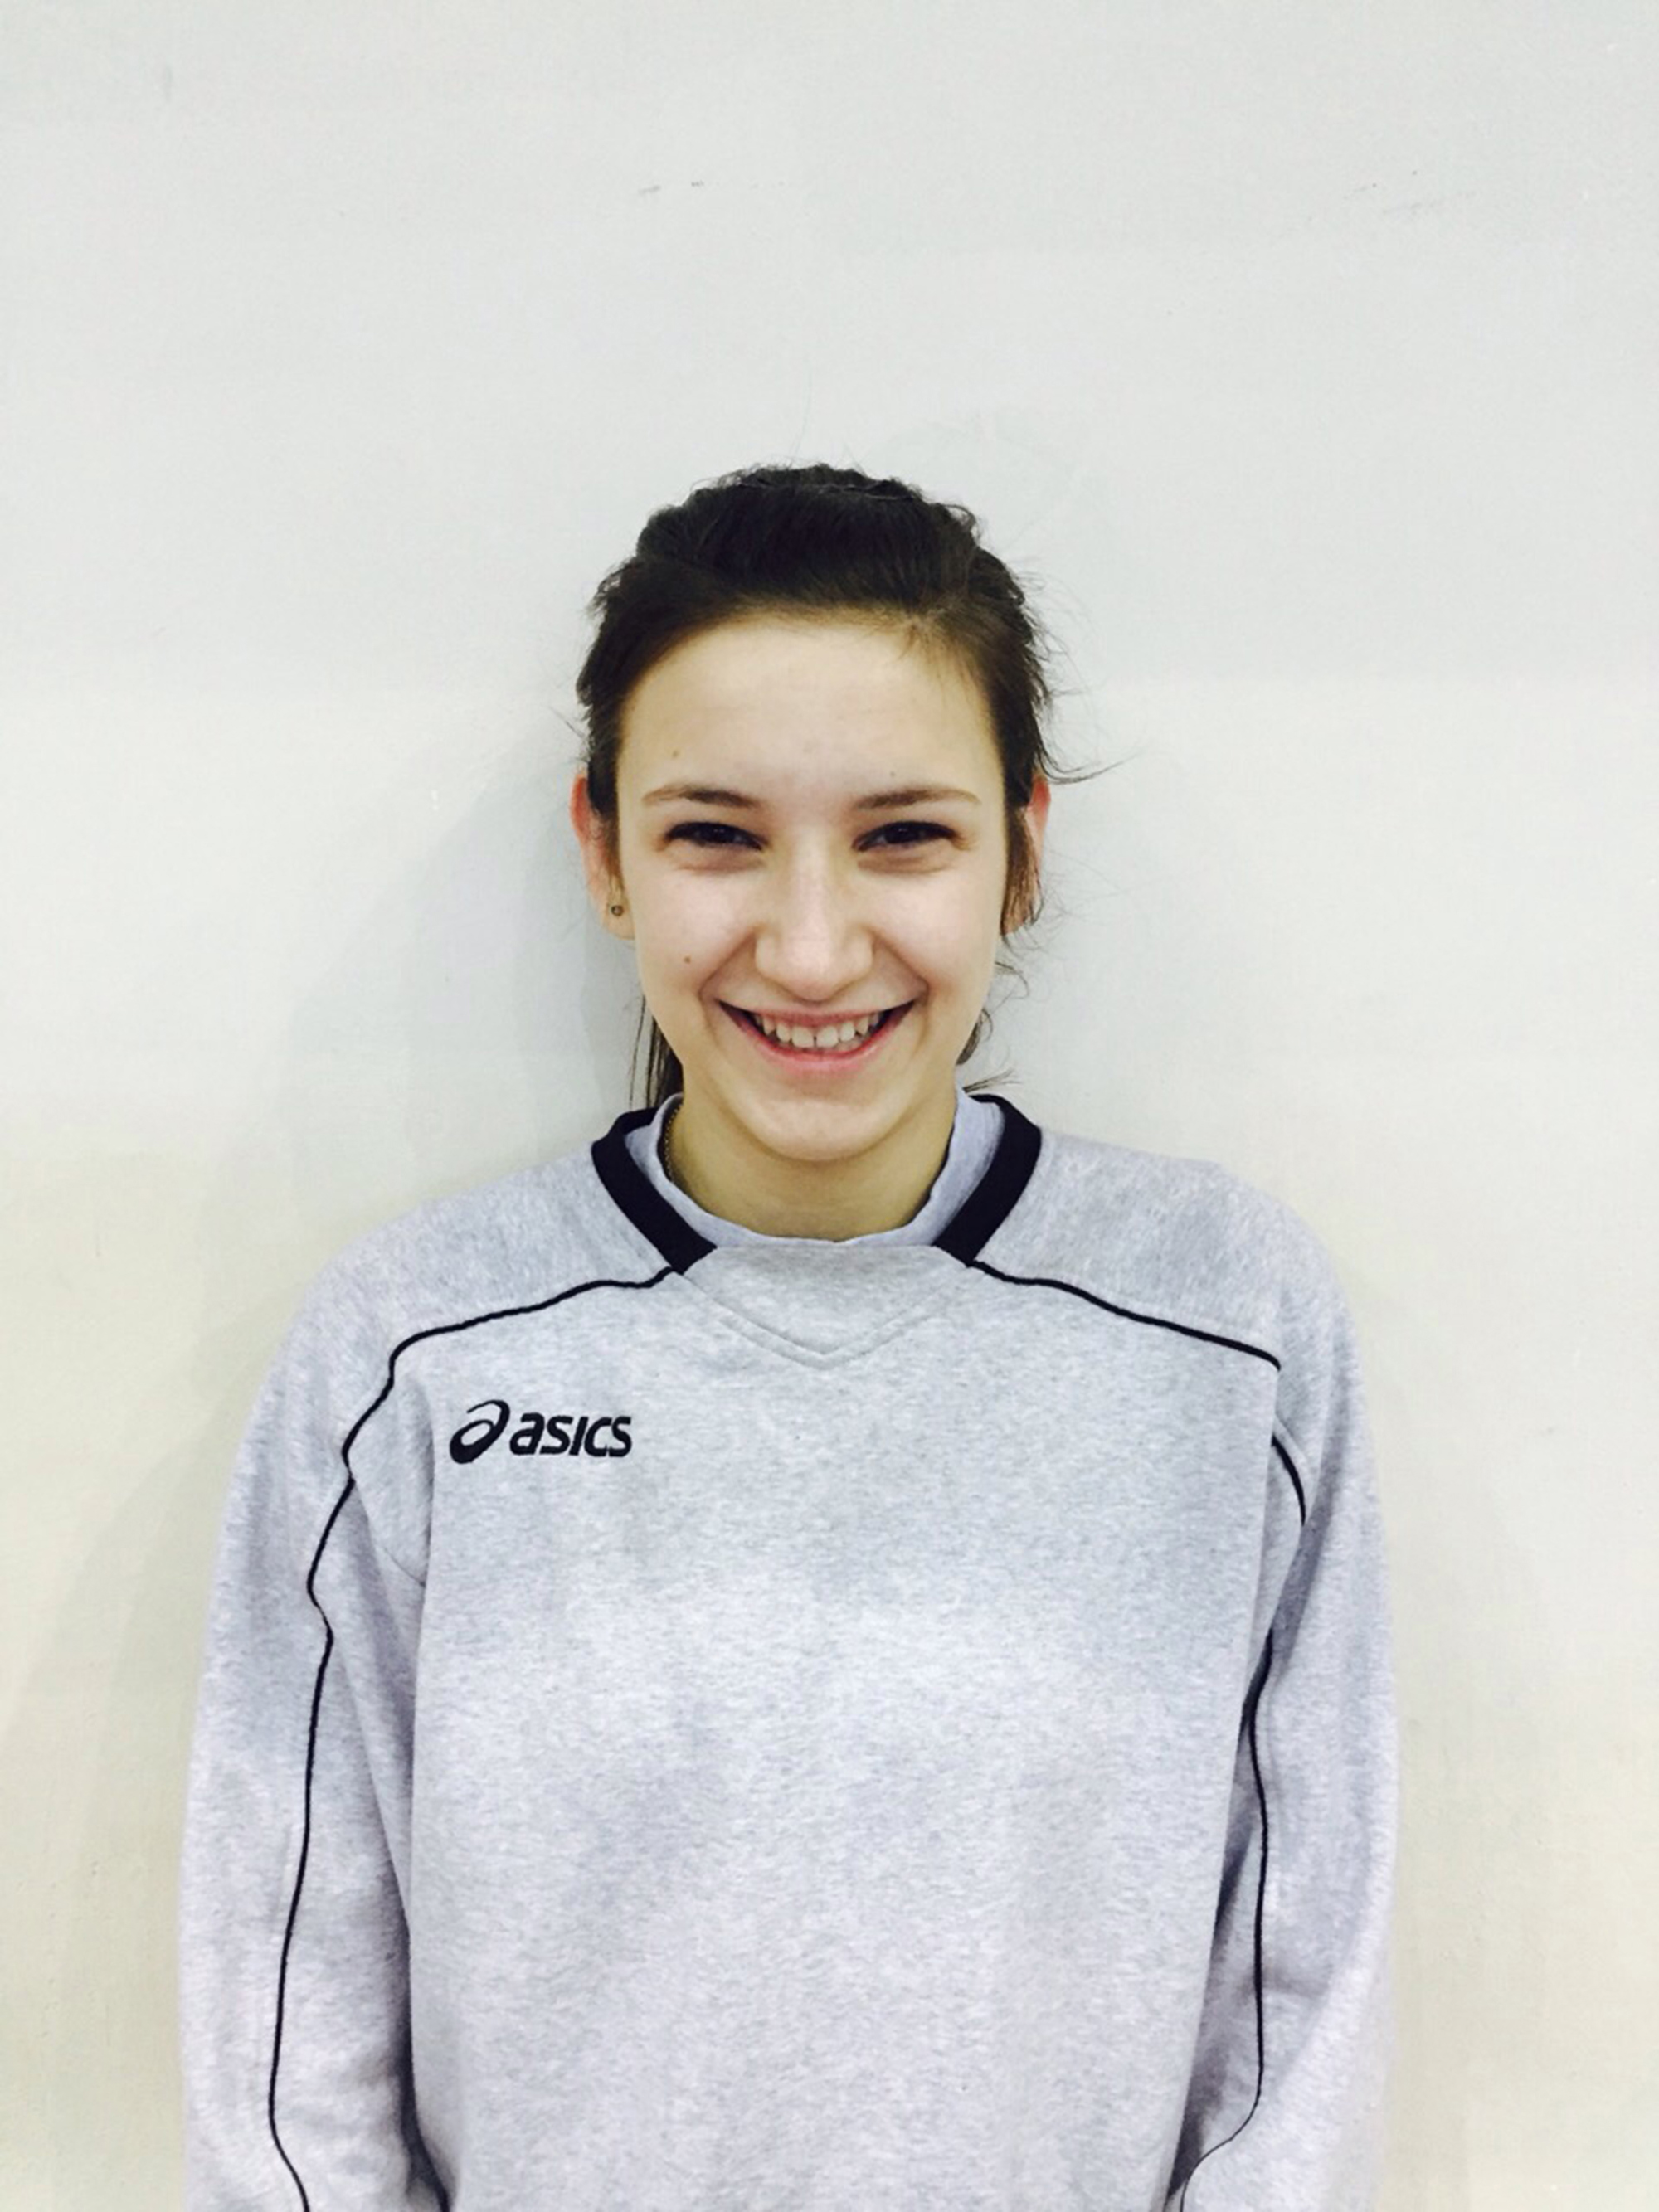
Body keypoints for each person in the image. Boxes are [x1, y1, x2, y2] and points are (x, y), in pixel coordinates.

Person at [178, 461, 1398, 2210]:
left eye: (903, 836)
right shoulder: (413, 1356)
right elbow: (287, 2041)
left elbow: (1302, 2011)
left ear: (1022, 851)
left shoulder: (1230, 1336)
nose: (813, 949)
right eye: (716, 834)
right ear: (603, 852)